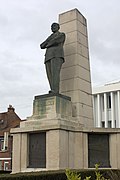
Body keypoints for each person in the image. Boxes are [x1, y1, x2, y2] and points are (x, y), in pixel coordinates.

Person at [40, 23, 66, 94]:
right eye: (51, 26)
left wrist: (48, 43)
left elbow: (56, 41)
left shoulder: (61, 34)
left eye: (54, 26)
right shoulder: (50, 36)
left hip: (56, 55)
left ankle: (55, 90)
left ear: (58, 27)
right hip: (48, 56)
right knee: (50, 75)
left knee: (55, 74)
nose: (53, 27)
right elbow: (42, 45)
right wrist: (48, 43)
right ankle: (52, 89)